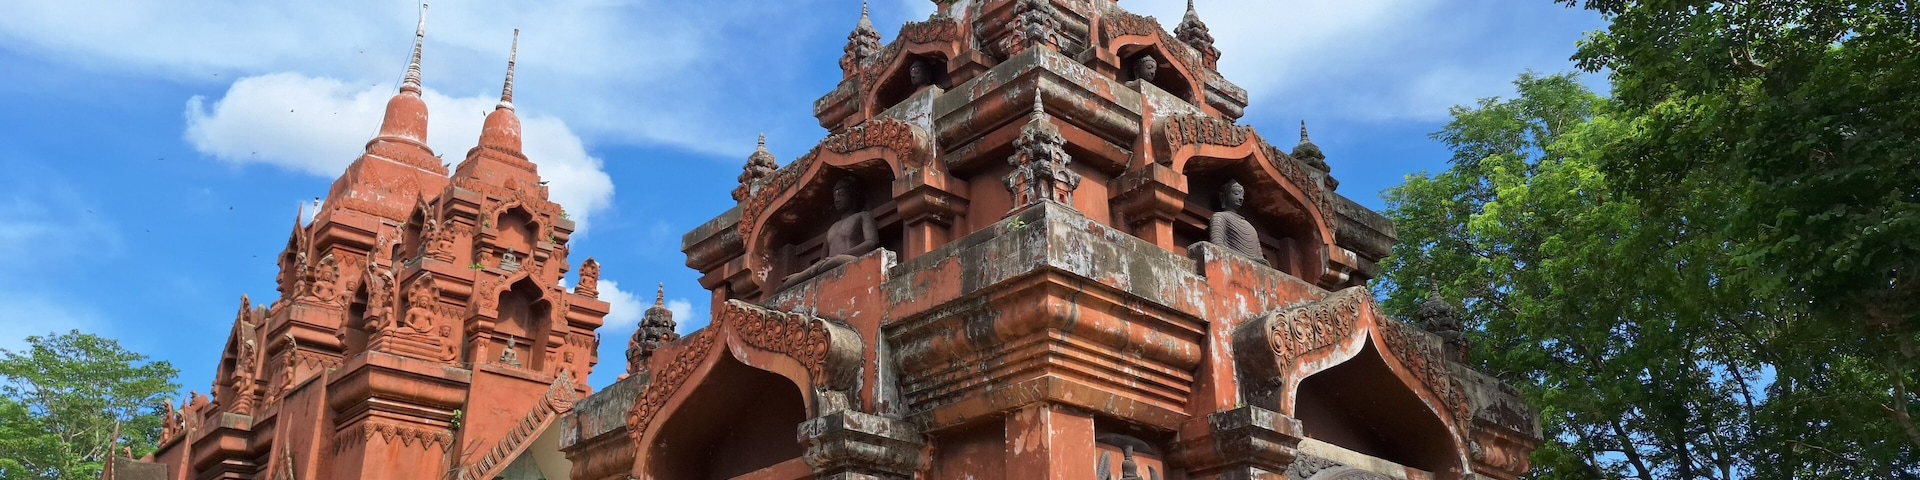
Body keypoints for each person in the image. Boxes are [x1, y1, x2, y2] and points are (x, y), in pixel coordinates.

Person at [781, 177, 879, 289]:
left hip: (848, 259)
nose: (837, 200)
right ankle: (798, 277)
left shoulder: (863, 216)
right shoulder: (832, 227)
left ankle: (801, 277)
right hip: (826, 265)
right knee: (784, 287)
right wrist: (800, 274)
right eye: (835, 196)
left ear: (853, 196)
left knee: (833, 262)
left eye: (841, 194)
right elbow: (823, 260)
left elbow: (872, 242)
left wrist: (841, 255)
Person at [1208, 179, 1267, 265]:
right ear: (1223, 197)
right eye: (1236, 194)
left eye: (1242, 195)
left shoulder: (1250, 227)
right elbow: (1217, 246)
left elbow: (1261, 259)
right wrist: (1250, 259)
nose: (1241, 198)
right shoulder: (1220, 217)